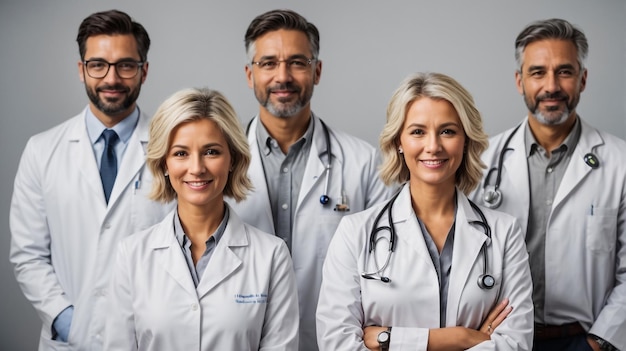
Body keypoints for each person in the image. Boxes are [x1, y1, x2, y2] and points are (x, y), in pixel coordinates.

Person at [317, 72, 534, 350]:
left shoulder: (504, 233)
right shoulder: (355, 233)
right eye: (418, 131)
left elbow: (516, 345)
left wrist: (390, 340)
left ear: (466, 139)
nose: (433, 146)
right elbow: (337, 344)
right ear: (398, 141)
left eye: (448, 131)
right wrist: (463, 338)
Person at [226, 9, 392, 350]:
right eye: (268, 63)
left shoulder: (363, 163)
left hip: (332, 341)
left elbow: (387, 270)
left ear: (317, 71)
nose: (282, 76)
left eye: (297, 62)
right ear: (249, 74)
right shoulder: (216, 165)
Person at [9, 10, 174, 350]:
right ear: (81, 69)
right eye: (98, 64)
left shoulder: (174, 150)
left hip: (152, 338)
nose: (111, 78)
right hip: (71, 341)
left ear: (144, 71)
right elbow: (28, 255)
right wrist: (67, 321)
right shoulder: (42, 151)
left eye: (126, 65)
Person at [470, 18, 626, 351]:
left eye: (565, 72)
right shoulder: (482, 160)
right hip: (497, 339)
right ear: (519, 81)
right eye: (538, 72)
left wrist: (599, 342)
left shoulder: (620, 162)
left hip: (582, 340)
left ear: (583, 79)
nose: (551, 86)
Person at [103, 87, 299, 350]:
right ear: (164, 164)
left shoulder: (272, 256)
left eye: (211, 152)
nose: (196, 168)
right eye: (181, 153)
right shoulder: (132, 255)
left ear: (232, 159)